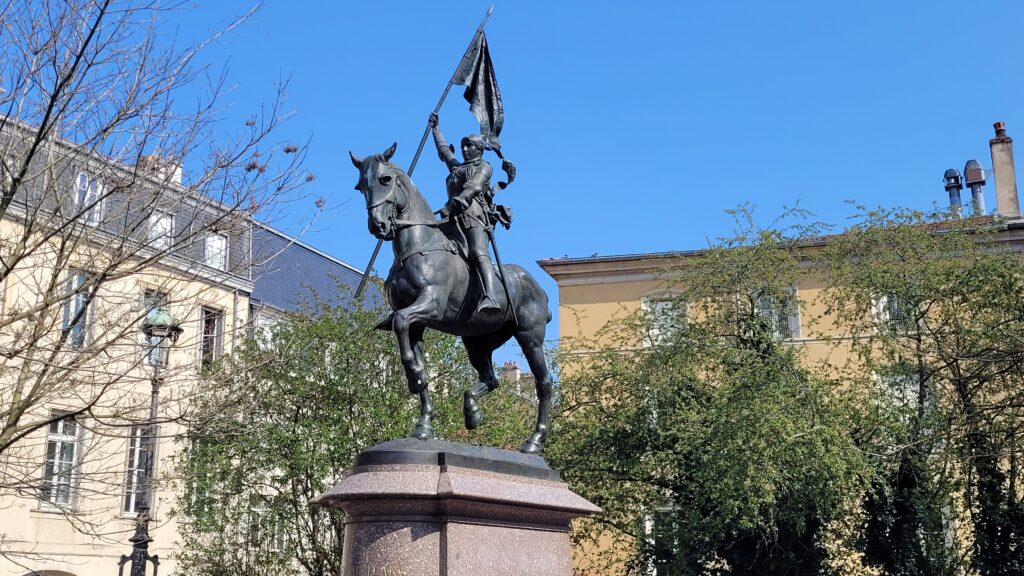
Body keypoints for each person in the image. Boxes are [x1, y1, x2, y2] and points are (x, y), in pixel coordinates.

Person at [429, 112, 500, 313]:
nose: (465, 149)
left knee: (478, 251)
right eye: (463, 146)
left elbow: (473, 188)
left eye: (469, 146)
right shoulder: (457, 168)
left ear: (479, 149)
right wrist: (436, 129)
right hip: (451, 217)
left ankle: (491, 296)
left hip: (473, 216)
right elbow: (444, 152)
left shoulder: (484, 167)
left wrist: (452, 205)